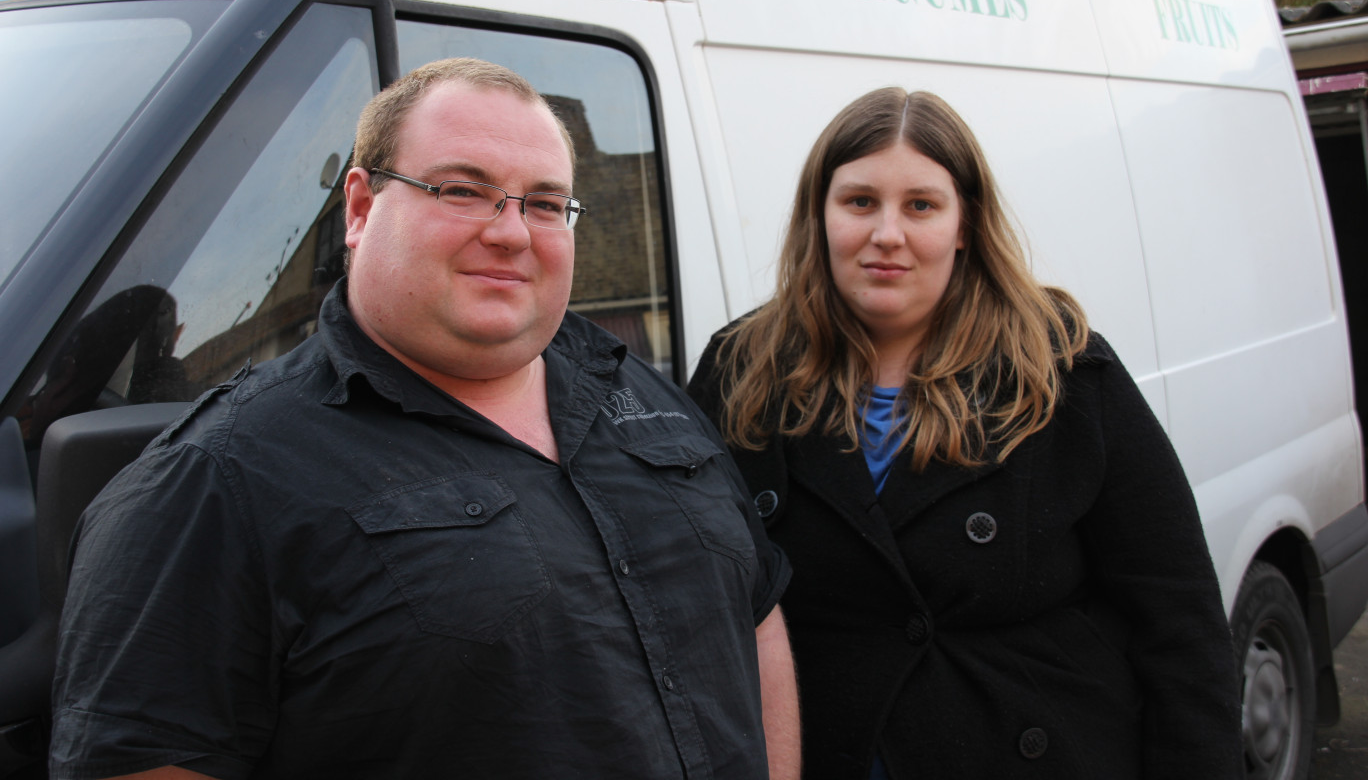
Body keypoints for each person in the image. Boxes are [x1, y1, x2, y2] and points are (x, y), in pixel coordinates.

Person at [50, 58, 799, 780]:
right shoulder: (211, 483)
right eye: (462, 191)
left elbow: (753, 617)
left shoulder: (637, 389)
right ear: (361, 207)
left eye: (544, 203)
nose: (511, 232)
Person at [687, 88, 1242, 779]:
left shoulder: (1061, 371)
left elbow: (1179, 619)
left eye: (920, 204)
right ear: (820, 215)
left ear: (964, 224)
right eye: (860, 201)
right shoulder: (743, 371)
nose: (886, 232)